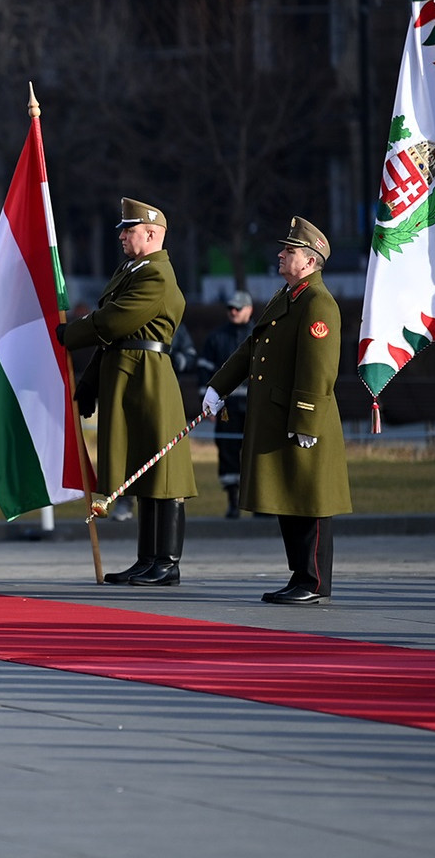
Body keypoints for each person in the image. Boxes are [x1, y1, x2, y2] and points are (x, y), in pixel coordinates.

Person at [204, 218, 350, 605]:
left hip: (303, 417)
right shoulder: (288, 296)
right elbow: (252, 348)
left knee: (311, 498)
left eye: (290, 251)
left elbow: (318, 368)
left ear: (310, 261)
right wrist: (219, 384)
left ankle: (314, 580)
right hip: (278, 416)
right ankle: (300, 575)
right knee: (290, 497)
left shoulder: (318, 304)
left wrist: (306, 418)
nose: (281, 254)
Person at [57, 197, 197, 586]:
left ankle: (166, 561)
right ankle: (147, 558)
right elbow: (113, 339)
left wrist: (73, 333)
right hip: (127, 372)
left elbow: (117, 320)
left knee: (162, 470)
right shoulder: (132, 270)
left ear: (151, 234)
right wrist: (89, 386)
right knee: (141, 468)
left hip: (149, 378)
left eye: (128, 229)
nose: (121, 235)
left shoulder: (156, 275)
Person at [198, 290, 256, 519]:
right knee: (228, 453)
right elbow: (205, 371)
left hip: (254, 407)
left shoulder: (259, 335)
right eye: (230, 308)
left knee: (256, 454)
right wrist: (207, 404)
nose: (233, 311)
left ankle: (259, 505)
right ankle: (233, 502)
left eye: (238, 308)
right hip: (227, 409)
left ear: (249, 309)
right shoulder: (216, 337)